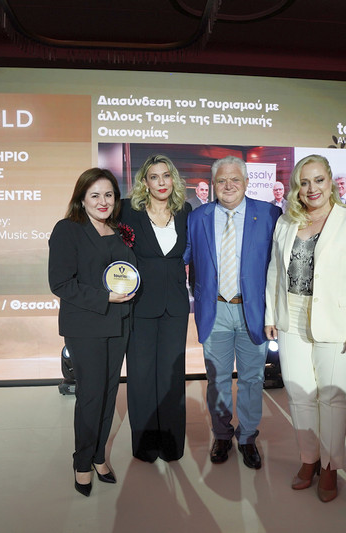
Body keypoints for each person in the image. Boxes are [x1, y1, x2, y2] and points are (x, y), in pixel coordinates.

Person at [264, 154, 346, 502]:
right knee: (299, 395)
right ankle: (309, 459)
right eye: (304, 182)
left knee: (332, 397)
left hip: (337, 323)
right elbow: (274, 272)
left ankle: (330, 466)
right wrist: (271, 315)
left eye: (318, 180)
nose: (312, 188)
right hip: (291, 319)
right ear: (297, 188)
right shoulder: (286, 221)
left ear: (330, 182)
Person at [184, 155, 281, 469]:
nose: (228, 186)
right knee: (218, 379)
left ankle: (248, 437)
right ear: (213, 184)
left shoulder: (269, 214)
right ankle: (222, 435)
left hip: (254, 313)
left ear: (247, 182)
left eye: (235, 179)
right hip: (214, 311)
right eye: (222, 180)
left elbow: (280, 267)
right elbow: (182, 257)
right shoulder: (197, 217)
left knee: (252, 379)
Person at [48, 168, 136, 497]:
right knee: (90, 396)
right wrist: (105, 297)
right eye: (95, 195)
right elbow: (60, 283)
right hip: (86, 325)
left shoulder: (119, 231)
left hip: (119, 322)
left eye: (109, 194)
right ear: (81, 199)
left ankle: (99, 455)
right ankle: (82, 461)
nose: (103, 201)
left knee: (110, 393)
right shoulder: (68, 229)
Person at [121, 155, 192, 463]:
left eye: (166, 175)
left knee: (172, 377)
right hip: (139, 304)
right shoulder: (128, 210)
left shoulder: (185, 211)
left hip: (175, 305)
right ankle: (146, 446)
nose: (161, 182)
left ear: (173, 179)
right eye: (154, 177)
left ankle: (171, 444)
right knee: (141, 376)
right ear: (145, 182)